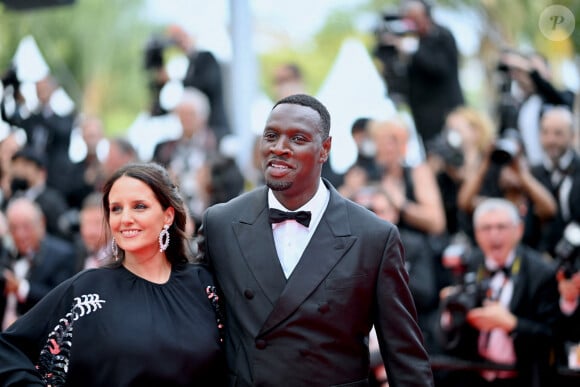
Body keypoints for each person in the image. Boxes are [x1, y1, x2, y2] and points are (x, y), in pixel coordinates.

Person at [198, 94, 433, 386]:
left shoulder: (373, 236)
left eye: (297, 138)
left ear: (325, 149)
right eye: (271, 136)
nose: (279, 148)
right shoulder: (220, 223)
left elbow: (405, 357)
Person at [0, 162, 226, 386]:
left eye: (139, 206)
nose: (125, 218)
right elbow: (8, 350)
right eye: (116, 208)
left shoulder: (204, 285)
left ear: (168, 216)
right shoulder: (87, 290)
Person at [437, 198, 559, 387]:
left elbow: (554, 335)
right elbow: (450, 340)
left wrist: (512, 324)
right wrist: (450, 313)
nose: (494, 235)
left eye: (501, 227)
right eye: (486, 228)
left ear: (518, 230)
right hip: (474, 374)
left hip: (522, 377)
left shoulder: (541, 272)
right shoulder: (469, 264)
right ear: (476, 234)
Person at [390, 0, 464, 146]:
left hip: (447, 115)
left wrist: (414, 50)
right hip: (423, 119)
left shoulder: (442, 36)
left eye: (415, 19)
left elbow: (441, 68)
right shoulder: (410, 40)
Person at [2, 197, 75, 328]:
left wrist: (21, 288)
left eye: (26, 226)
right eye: (13, 228)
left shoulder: (62, 254)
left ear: (41, 222)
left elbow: (60, 300)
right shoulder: (5, 252)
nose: (20, 234)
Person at [167, 24, 231, 143]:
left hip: (214, 127)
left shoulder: (206, 58)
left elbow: (207, 83)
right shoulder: (190, 64)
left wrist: (174, 80)